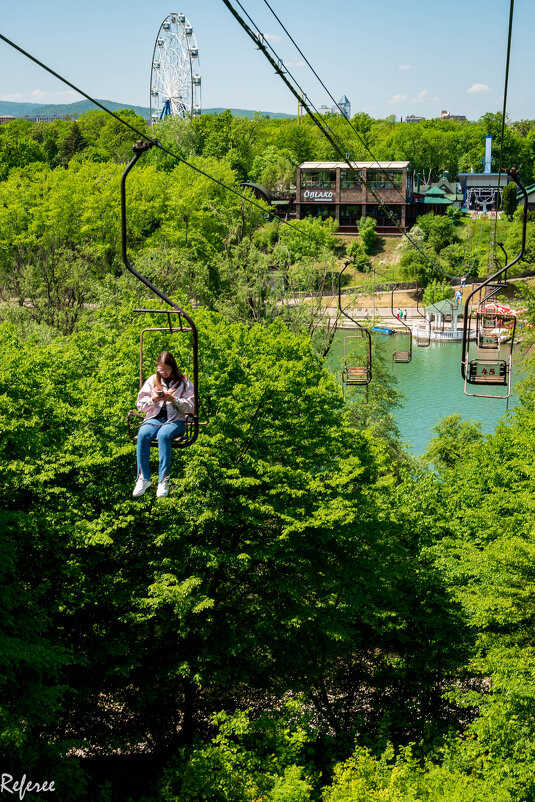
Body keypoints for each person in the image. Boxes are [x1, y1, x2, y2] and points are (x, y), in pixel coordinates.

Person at [133, 351, 194, 499]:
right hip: (155, 418)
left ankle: (163, 479)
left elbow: (191, 407)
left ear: (173, 368)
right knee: (142, 434)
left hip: (176, 420)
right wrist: (154, 399)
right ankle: (143, 477)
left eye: (167, 370)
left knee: (163, 435)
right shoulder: (153, 380)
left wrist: (174, 400)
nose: (164, 373)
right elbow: (140, 405)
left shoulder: (184, 383)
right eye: (161, 370)